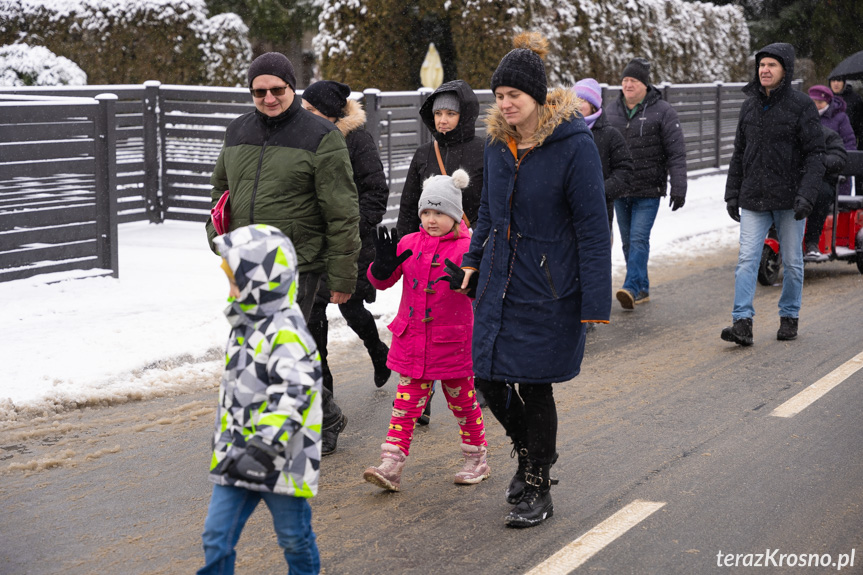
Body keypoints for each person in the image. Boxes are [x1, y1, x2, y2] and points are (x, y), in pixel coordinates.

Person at [458, 32, 612, 528]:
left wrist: (595, 298)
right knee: (486, 376)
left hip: (549, 287)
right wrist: (473, 258)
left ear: (538, 97)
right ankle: (529, 456)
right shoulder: (497, 144)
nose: (505, 106)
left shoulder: (574, 145)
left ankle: (539, 488)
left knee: (535, 385)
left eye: (514, 98)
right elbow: (485, 209)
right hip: (499, 280)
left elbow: (592, 225)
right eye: (499, 97)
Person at [205, 52, 360, 457]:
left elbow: (342, 209)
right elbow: (220, 193)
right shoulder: (236, 131)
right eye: (260, 91)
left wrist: (343, 275)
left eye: (277, 89)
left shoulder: (321, 136)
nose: (269, 98)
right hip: (249, 260)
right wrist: (217, 235)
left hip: (300, 261)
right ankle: (321, 416)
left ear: (293, 88)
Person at [199, 225, 322, 575]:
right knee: (216, 536)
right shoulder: (244, 324)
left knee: (293, 537)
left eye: (235, 280)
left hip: (281, 457)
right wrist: (228, 439)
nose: (230, 290)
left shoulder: (288, 333)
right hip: (238, 455)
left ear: (260, 281)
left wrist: (263, 448)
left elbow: (295, 394)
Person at [362, 169, 489, 492]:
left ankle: (476, 458)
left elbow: (484, 288)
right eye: (427, 212)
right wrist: (380, 266)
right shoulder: (408, 243)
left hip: (454, 343)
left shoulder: (469, 248)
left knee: (463, 404)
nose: (432, 219)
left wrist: (470, 283)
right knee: (404, 406)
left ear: (456, 215)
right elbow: (382, 281)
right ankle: (391, 464)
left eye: (440, 213)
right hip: (412, 340)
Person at [722, 43, 825, 346]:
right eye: (761, 65)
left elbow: (816, 154)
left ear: (785, 71)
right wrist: (732, 193)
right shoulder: (749, 105)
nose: (764, 70)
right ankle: (742, 322)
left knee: (792, 262)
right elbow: (740, 152)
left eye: (772, 65)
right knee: (746, 260)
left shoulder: (801, 106)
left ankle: (789, 316)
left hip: (791, 201)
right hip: (754, 197)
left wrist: (806, 195)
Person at [301, 81, 392, 402]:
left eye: (311, 110)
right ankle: (324, 401)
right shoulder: (303, 139)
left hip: (349, 244)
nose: (304, 115)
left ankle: (378, 350)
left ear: (329, 113)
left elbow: (376, 192)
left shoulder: (357, 141)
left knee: (352, 308)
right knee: (312, 317)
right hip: (312, 244)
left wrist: (350, 228)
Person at [606, 57, 687, 310]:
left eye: (633, 80)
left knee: (639, 239)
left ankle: (630, 287)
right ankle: (642, 287)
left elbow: (676, 152)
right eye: (625, 80)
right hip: (620, 189)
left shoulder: (663, 111)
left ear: (644, 85)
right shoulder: (612, 111)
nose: (628, 84)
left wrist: (679, 186)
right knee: (628, 242)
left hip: (649, 189)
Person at [395, 79, 484, 237]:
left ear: (464, 116)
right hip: (429, 251)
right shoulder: (424, 153)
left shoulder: (484, 151)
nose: (442, 120)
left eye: (451, 113)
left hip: (470, 248)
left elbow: (492, 204)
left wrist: (476, 234)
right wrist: (404, 249)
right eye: (438, 113)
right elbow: (408, 208)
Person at [573, 78, 633, 240]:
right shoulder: (559, 131)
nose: (578, 104)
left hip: (598, 217)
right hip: (565, 219)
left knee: (596, 263)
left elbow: (625, 170)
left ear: (593, 105)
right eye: (575, 100)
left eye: (583, 100)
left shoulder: (610, 135)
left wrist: (599, 191)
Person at [802, 126, 849, 262]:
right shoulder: (792, 133)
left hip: (822, 181)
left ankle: (812, 242)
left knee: (821, 194)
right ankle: (774, 236)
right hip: (796, 182)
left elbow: (839, 158)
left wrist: (820, 162)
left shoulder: (828, 135)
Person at [829, 77, 863, 150]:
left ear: (844, 82)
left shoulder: (855, 99)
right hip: (829, 145)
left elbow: (860, 126)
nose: (836, 83)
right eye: (833, 80)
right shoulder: (825, 99)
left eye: (839, 80)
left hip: (848, 143)